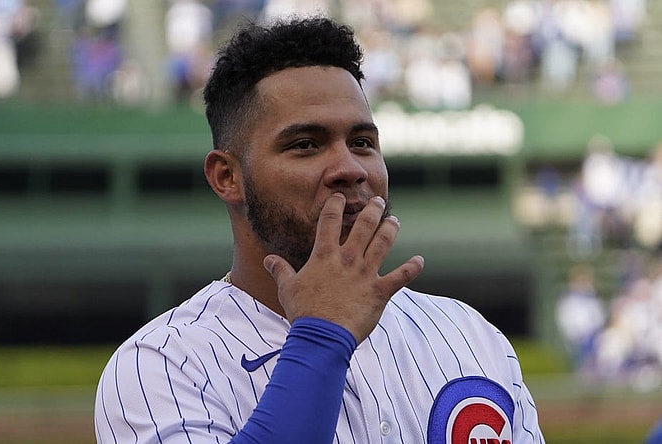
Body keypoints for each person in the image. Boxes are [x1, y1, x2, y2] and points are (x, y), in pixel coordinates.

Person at [94, 16, 545, 444]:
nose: (349, 168)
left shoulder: (468, 334)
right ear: (227, 177)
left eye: (362, 143)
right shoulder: (162, 365)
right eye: (306, 144)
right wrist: (322, 335)